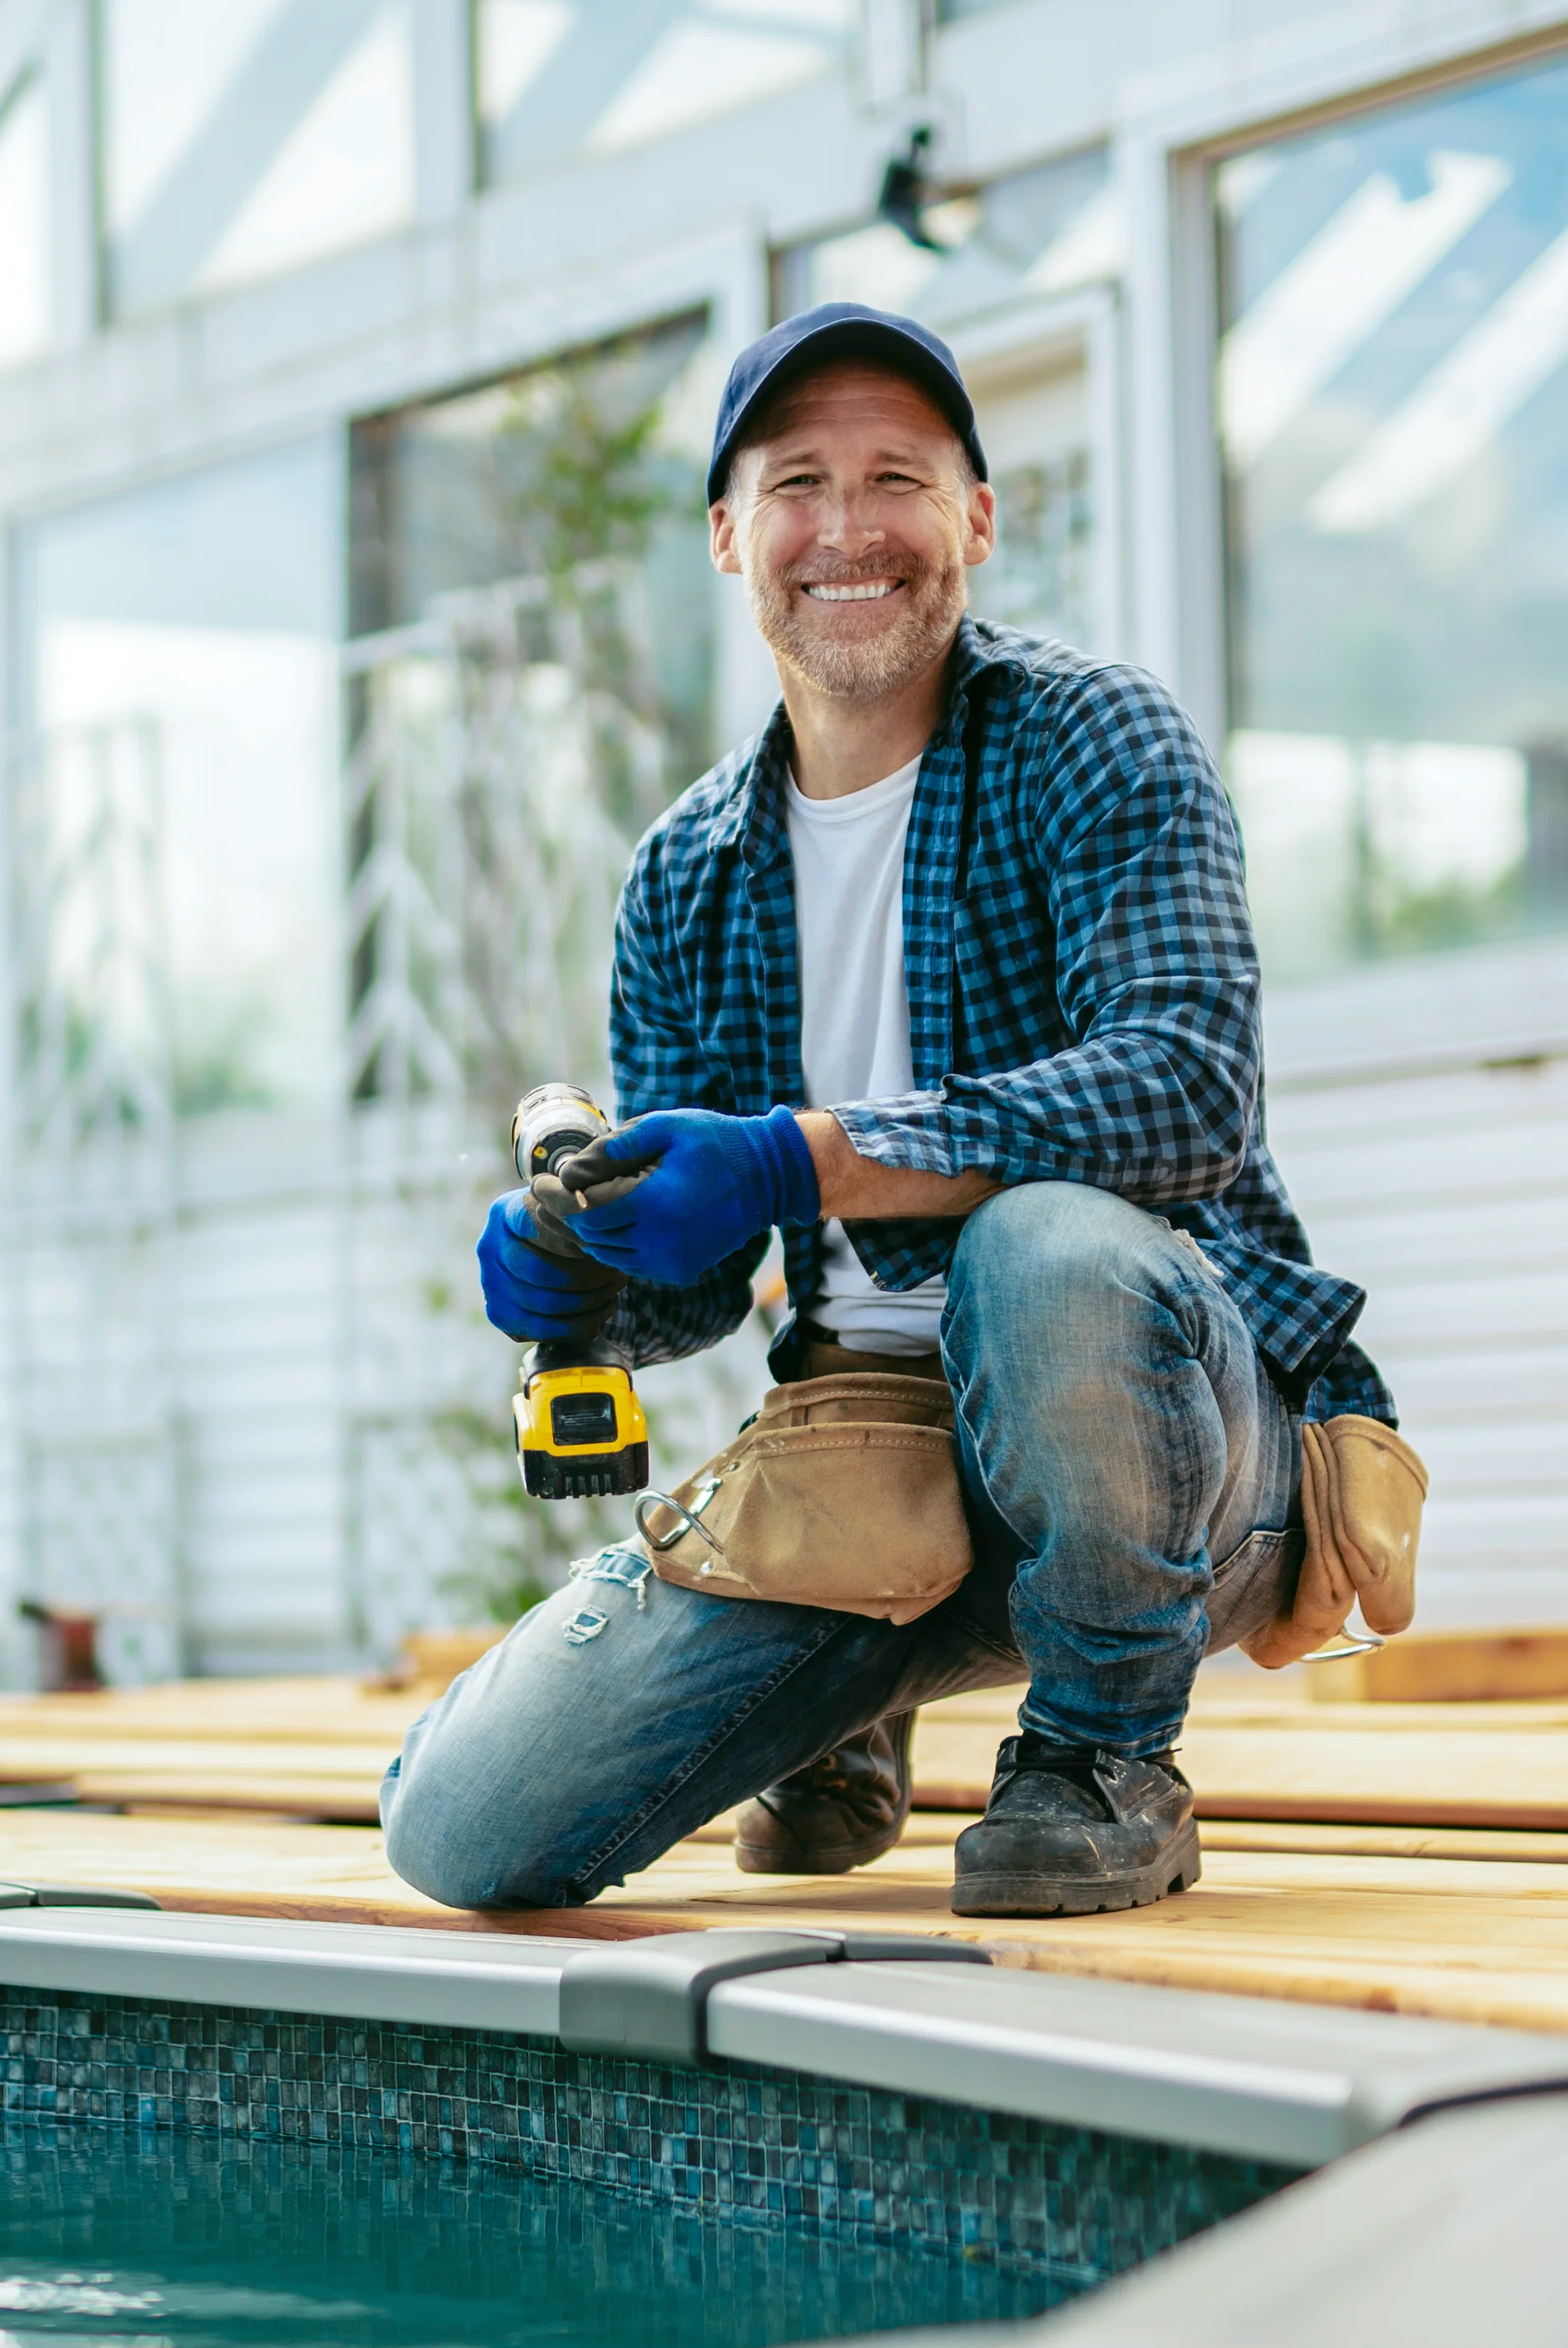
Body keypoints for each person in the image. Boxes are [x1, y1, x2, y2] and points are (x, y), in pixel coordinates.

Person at [379, 303, 1395, 1920]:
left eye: (897, 478)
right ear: (727, 533)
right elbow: (701, 1277)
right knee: (469, 1828)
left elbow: (1188, 1083)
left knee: (1039, 1248)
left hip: (1183, 1437)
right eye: (797, 481)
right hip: (868, 1432)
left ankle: (1095, 1755)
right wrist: (594, 1270)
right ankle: (845, 1691)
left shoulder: (1092, 740)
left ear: (975, 521)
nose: (846, 528)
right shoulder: (687, 874)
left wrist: (809, 1154)